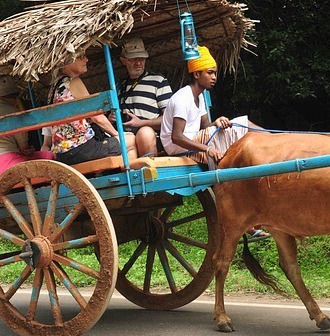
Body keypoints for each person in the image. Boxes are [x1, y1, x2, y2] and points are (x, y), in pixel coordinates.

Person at [161, 46, 268, 238]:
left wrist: (217, 122)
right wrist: (208, 149)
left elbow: (205, 125)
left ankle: (270, 142)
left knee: (234, 125)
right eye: (210, 73)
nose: (214, 77)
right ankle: (273, 142)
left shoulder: (199, 96)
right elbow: (176, 137)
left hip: (196, 137)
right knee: (241, 124)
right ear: (196, 74)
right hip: (178, 146)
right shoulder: (182, 98)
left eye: (215, 73)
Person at [42, 54, 137, 165]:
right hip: (81, 149)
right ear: (65, 61)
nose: (86, 59)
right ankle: (132, 177)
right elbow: (97, 117)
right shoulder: (73, 82)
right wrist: (116, 133)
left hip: (62, 154)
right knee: (130, 140)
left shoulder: (55, 86)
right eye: (80, 56)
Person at [0, 76, 55, 184]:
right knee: (48, 156)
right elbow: (24, 148)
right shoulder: (14, 112)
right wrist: (28, 150)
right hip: (5, 167)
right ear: (15, 97)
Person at [111, 37, 172, 156]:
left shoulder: (158, 81)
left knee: (145, 133)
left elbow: (170, 118)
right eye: (133, 59)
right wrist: (112, 118)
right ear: (123, 60)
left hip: (151, 134)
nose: (138, 63)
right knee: (123, 141)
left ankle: (150, 171)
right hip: (127, 134)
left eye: (141, 58)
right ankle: (130, 172)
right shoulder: (120, 86)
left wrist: (141, 123)